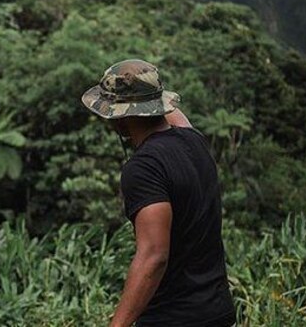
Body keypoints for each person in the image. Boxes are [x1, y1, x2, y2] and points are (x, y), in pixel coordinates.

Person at [81, 59, 236, 327]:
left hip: (172, 318)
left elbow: (154, 256)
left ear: (120, 117)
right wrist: (146, 89)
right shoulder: (195, 142)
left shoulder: (143, 169)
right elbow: (175, 116)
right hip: (218, 312)